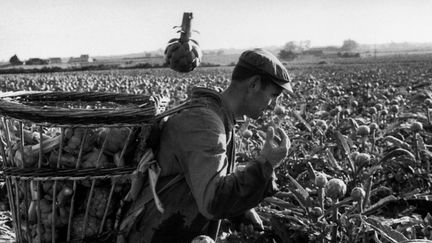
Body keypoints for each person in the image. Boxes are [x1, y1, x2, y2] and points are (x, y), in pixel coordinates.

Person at [119, 48, 294, 243]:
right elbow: (213, 200)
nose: (273, 105)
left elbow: (203, 178)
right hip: (155, 234)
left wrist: (239, 211)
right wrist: (265, 164)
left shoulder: (217, 117)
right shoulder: (204, 123)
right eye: (274, 94)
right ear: (253, 84)